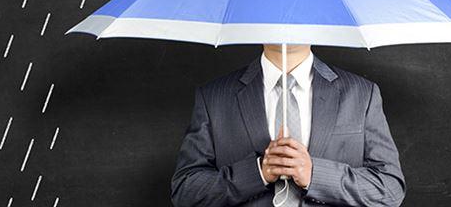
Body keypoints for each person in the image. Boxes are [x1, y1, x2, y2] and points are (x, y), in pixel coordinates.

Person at [170, 43, 406, 206]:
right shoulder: (214, 97)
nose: (287, 18)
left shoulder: (361, 94)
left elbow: (390, 189)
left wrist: (315, 174)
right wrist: (258, 172)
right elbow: (185, 191)